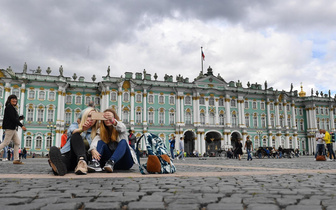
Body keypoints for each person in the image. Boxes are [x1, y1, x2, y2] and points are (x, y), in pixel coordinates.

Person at [48, 107, 99, 176]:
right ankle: (56, 168)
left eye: (94, 116)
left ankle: (81, 162)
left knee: (66, 161)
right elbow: (72, 131)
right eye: (89, 116)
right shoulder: (75, 125)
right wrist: (82, 129)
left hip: (87, 158)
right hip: (71, 156)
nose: (91, 119)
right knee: (76, 136)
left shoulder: (98, 130)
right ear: (84, 116)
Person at [87, 108, 138, 173]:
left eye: (110, 118)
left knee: (123, 142)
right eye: (106, 118)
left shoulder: (121, 129)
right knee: (100, 142)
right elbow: (95, 141)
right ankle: (95, 162)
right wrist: (92, 149)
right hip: (107, 163)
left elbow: (122, 128)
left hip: (125, 162)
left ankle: (111, 161)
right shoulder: (101, 131)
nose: (108, 120)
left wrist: (113, 121)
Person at [0, 95, 27, 164]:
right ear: (9, 100)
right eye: (13, 99)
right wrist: (21, 125)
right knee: (5, 143)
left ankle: (16, 159)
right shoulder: (9, 107)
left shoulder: (12, 108)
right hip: (10, 127)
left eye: (15, 99)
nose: (15, 100)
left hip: (12, 127)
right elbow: (12, 119)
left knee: (17, 142)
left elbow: (13, 118)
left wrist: (19, 118)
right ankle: (16, 159)